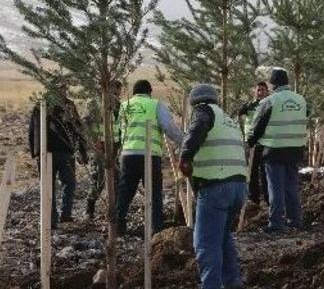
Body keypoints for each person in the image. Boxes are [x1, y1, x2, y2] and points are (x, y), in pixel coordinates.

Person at [180, 83, 248, 289]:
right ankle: (232, 282)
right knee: (223, 236)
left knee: (206, 243)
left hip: (216, 186)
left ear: (195, 102)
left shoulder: (203, 112)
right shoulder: (228, 119)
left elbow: (196, 130)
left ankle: (211, 285)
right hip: (238, 187)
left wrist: (185, 157)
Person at [115, 79, 184, 235]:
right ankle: (156, 228)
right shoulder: (155, 105)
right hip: (150, 155)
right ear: (149, 92)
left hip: (128, 155)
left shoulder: (124, 106)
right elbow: (169, 128)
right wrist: (184, 142)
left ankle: (118, 225)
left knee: (125, 191)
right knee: (154, 192)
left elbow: (120, 130)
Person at [246, 68, 307, 234]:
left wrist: (250, 141)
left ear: (272, 85)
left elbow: (258, 126)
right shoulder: (300, 100)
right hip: (295, 149)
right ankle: (295, 220)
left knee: (276, 188)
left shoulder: (270, 101)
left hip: (274, 150)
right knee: (291, 186)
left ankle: (276, 223)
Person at [29, 82, 88, 226]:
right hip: (47, 153)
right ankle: (53, 219)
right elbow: (34, 130)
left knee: (68, 183)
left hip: (64, 152)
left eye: (64, 88)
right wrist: (36, 152)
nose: (63, 91)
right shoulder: (42, 106)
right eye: (61, 88)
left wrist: (82, 151)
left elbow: (77, 128)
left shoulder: (67, 105)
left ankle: (64, 215)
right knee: (50, 186)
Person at [84, 80, 122, 220]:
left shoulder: (118, 106)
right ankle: (89, 209)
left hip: (114, 147)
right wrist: (95, 142)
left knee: (116, 179)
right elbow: (86, 124)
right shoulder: (95, 104)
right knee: (98, 178)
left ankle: (115, 210)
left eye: (118, 94)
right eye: (114, 93)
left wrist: (119, 143)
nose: (116, 96)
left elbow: (120, 125)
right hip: (99, 147)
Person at [236, 81, 270, 205]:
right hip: (251, 143)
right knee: (251, 171)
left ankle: (267, 198)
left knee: (265, 171)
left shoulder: (270, 105)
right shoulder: (249, 106)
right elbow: (238, 115)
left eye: (262, 90)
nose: (260, 92)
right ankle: (253, 198)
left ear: (267, 91)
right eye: (258, 90)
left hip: (265, 142)